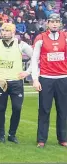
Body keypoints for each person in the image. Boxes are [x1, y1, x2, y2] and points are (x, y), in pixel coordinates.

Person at [0, 23, 33, 144]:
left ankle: (12, 134)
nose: (3, 33)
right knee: (1, 108)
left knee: (17, 108)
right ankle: (1, 134)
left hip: (16, 82)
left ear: (13, 32)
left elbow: (35, 57)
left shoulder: (21, 44)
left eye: (6, 30)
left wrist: (28, 72)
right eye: (2, 30)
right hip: (1, 82)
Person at [30, 13, 67, 148]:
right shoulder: (40, 38)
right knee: (44, 110)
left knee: (63, 110)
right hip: (46, 79)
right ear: (47, 23)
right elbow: (34, 60)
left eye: (57, 21)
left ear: (60, 23)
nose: (55, 24)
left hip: (63, 78)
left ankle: (63, 138)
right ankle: (41, 139)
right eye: (52, 22)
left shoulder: (65, 36)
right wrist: (35, 79)